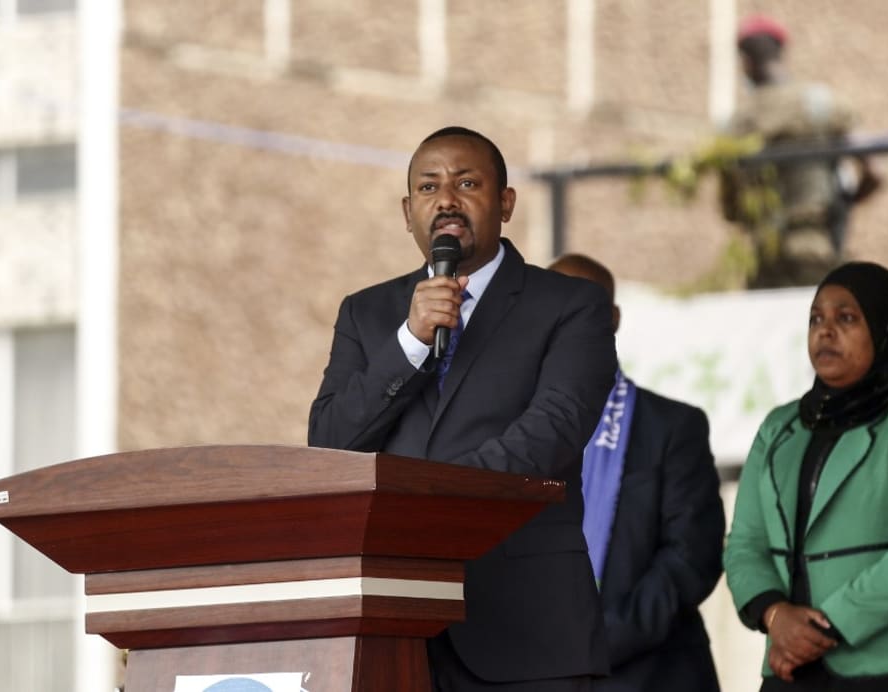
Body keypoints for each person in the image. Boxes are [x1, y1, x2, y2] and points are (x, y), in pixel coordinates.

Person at [308, 126, 618, 690]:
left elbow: (553, 429)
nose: (446, 199)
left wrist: (422, 500)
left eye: (466, 182)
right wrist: (410, 339)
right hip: (395, 626)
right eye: (428, 188)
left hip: (527, 631)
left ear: (505, 203)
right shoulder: (369, 314)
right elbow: (329, 441)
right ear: (408, 213)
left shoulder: (571, 305)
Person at [723, 261, 888, 691]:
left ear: (886, 329)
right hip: (792, 670)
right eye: (816, 319)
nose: (825, 331)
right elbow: (744, 543)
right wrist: (774, 615)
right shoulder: (780, 427)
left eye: (846, 318)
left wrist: (822, 629)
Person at [547, 253, 724, 692]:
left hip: (649, 674)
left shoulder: (673, 427)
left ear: (614, 318)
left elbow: (690, 558)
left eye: (583, 306)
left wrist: (598, 642)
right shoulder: (506, 434)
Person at [720, 14, 879, 289]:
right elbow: (875, 172)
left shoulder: (737, 124)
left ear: (745, 62)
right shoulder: (821, 105)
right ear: (781, 53)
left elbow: (731, 210)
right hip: (818, 250)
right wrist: (844, 202)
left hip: (765, 260)